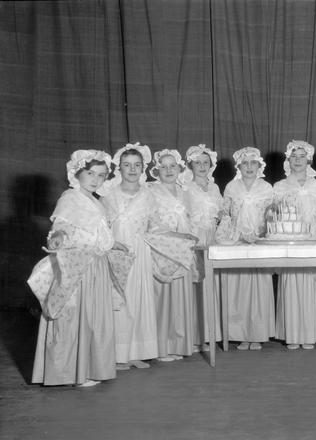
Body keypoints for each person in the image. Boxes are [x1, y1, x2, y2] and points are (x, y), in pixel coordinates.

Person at [28, 150, 130, 386]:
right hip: (77, 265)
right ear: (78, 173)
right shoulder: (70, 198)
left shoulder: (97, 201)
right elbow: (62, 225)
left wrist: (115, 244)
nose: (95, 179)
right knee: (72, 315)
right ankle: (68, 371)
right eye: (90, 173)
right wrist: (58, 238)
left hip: (97, 264)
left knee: (93, 317)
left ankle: (89, 368)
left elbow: (97, 232)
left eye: (102, 175)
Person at [101, 143, 158, 370]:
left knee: (139, 300)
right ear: (119, 168)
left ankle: (136, 352)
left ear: (143, 168)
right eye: (127, 165)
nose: (132, 170)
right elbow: (102, 227)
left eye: (137, 165)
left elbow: (155, 226)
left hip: (141, 253)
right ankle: (118, 354)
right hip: (116, 254)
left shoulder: (149, 195)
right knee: (119, 302)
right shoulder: (108, 196)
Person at [215, 147, 275, 350]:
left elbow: (271, 215)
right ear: (239, 166)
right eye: (245, 163)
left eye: (253, 163)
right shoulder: (232, 187)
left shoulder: (267, 188)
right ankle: (240, 334)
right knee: (238, 286)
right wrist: (232, 233)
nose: (249, 167)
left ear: (259, 166)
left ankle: (257, 334)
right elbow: (226, 214)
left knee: (259, 286)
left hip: (259, 241)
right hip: (237, 241)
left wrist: (261, 233)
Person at [272, 140, 316, 350]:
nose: (297, 160)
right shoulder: (279, 186)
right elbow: (275, 214)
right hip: (289, 238)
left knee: (310, 284)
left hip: (312, 238)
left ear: (309, 160)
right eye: (293, 156)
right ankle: (292, 334)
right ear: (288, 159)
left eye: (302, 156)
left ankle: (310, 334)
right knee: (291, 283)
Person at [146, 149, 198, 361]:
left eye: (172, 166)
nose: (168, 170)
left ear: (179, 169)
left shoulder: (185, 192)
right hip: (162, 250)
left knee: (181, 296)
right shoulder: (150, 191)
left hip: (183, 249)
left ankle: (180, 343)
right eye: (163, 166)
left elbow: (190, 219)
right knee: (163, 297)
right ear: (156, 170)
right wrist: (174, 235)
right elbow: (150, 223)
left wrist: (187, 237)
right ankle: (162, 346)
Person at [181, 144, 223, 351]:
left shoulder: (214, 187)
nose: (202, 166)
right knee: (194, 283)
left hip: (211, 237)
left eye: (206, 162)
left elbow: (219, 212)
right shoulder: (185, 187)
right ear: (190, 165)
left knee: (209, 284)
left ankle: (208, 334)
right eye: (197, 162)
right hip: (194, 238)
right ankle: (194, 336)